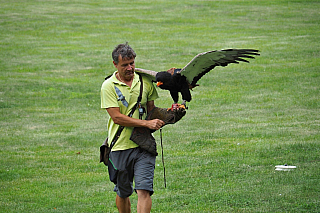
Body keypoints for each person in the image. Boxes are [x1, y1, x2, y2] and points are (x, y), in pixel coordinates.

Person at [100, 43, 166, 213]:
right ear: (115, 64)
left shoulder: (145, 82)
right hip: (120, 146)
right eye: (125, 65)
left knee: (143, 190)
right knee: (123, 193)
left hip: (143, 145)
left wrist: (171, 113)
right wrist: (146, 123)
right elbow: (117, 118)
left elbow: (152, 111)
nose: (130, 68)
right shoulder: (108, 86)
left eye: (132, 63)